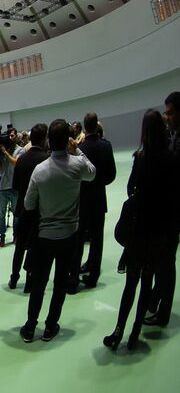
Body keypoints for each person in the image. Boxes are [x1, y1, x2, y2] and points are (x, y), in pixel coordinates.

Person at [103, 109, 177, 350]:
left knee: (130, 284)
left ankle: (118, 331)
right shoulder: (171, 159)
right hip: (159, 229)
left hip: (139, 229)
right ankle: (135, 333)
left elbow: (130, 189)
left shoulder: (141, 157)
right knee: (147, 282)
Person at [19, 119, 96, 343]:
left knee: (39, 284)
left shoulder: (40, 170)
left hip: (44, 236)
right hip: (70, 234)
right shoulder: (77, 165)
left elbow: (29, 204)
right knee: (60, 283)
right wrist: (78, 149)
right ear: (68, 140)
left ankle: (30, 326)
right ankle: (51, 326)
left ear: (49, 142)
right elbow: (92, 172)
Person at [145, 91, 180, 326]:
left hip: (173, 212)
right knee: (164, 261)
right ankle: (157, 300)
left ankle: (162, 311)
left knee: (166, 262)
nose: (167, 117)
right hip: (170, 211)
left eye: (170, 113)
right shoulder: (173, 136)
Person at [74, 112, 117, 290]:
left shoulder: (80, 148)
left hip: (82, 198)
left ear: (85, 127)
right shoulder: (106, 146)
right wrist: (99, 183)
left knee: (79, 237)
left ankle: (76, 272)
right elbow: (111, 175)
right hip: (99, 198)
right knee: (97, 238)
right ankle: (93, 273)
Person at [9, 124, 50, 291]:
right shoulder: (47, 159)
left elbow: (17, 186)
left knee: (19, 247)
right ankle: (29, 279)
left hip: (22, 209)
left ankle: (14, 277)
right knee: (35, 246)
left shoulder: (22, 159)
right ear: (44, 139)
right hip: (39, 210)